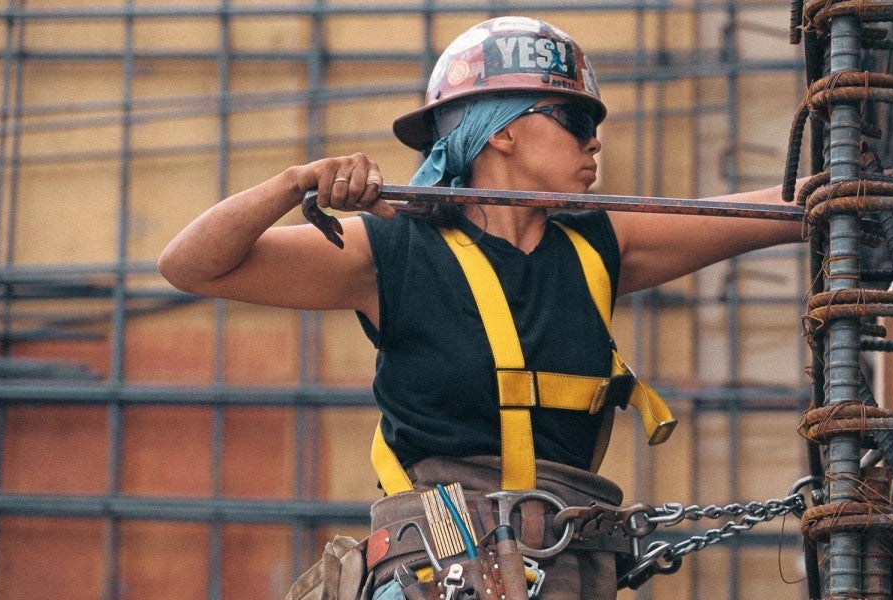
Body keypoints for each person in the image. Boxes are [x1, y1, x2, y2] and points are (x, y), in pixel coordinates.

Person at [158, 16, 803, 600]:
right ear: (503, 132)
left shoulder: (599, 244)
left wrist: (849, 181)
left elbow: (770, 212)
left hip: (566, 573)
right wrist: (293, 184)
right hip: (436, 574)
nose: (595, 143)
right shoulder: (391, 251)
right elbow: (188, 265)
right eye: (576, 121)